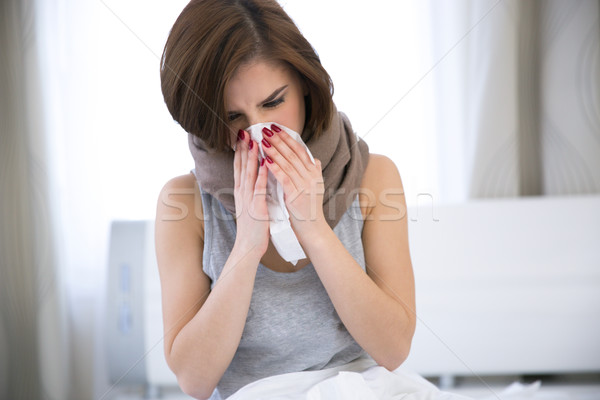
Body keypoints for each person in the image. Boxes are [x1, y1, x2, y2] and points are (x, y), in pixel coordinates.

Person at [155, 0, 415, 399]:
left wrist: (313, 228)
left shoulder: (373, 177)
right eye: (232, 118)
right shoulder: (183, 204)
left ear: (305, 87)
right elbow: (194, 380)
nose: (259, 131)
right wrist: (246, 245)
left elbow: (394, 348)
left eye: (274, 102)